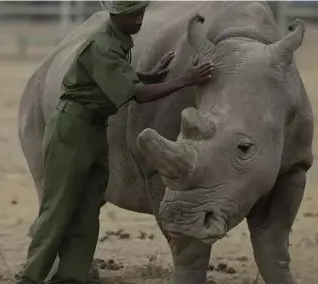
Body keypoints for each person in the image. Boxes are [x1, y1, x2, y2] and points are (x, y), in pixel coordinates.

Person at [15, 1, 214, 284]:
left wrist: (147, 76)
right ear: (116, 15)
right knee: (58, 209)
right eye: (133, 16)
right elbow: (139, 95)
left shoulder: (120, 38)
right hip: (73, 128)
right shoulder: (103, 43)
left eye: (141, 14)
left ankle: (72, 276)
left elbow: (112, 76)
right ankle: (30, 277)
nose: (139, 21)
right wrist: (184, 80)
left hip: (96, 127)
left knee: (87, 208)